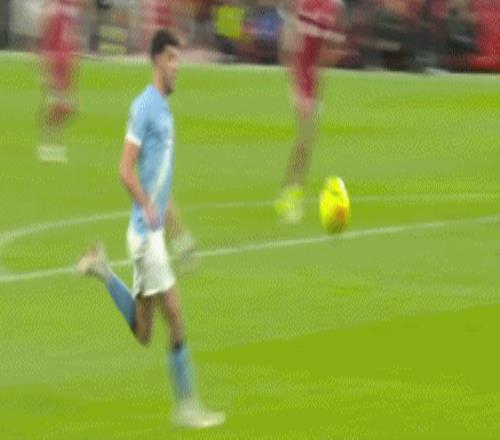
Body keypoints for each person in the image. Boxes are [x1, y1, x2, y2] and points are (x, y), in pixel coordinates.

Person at [76, 29, 225, 429]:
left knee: (144, 332)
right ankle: (187, 406)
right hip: (145, 236)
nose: (178, 67)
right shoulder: (145, 107)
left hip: (151, 235)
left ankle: (102, 269)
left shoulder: (163, 110)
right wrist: (145, 204)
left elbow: (162, 186)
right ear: (158, 60)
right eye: (173, 58)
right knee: (175, 315)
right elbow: (125, 169)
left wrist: (182, 235)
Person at [275, 0, 346, 223]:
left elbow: (331, 50)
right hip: (300, 75)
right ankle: (290, 197)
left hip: (315, 79)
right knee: (305, 137)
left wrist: (330, 57)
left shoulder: (335, 8)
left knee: (307, 142)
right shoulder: (302, 4)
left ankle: (290, 192)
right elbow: (287, 42)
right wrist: (293, 80)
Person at [38, 0, 87, 163]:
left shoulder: (71, 7)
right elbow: (47, 31)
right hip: (56, 58)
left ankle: (51, 138)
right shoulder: (55, 6)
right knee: (59, 103)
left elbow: (74, 33)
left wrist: (76, 55)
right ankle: (49, 143)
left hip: (68, 58)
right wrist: (44, 60)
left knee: (70, 107)